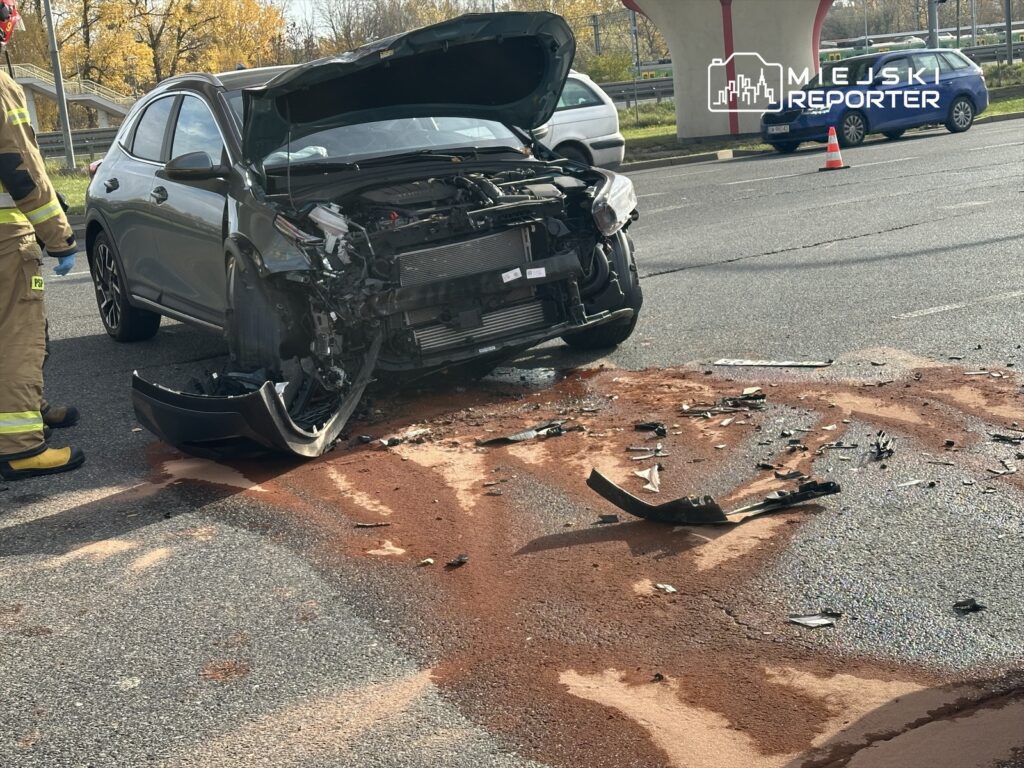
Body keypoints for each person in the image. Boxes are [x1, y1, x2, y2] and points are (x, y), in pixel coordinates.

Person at [0, 0, 84, 480]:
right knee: (17, 337)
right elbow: (19, 168)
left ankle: (28, 410)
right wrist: (59, 236)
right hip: (5, 241)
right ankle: (20, 446)